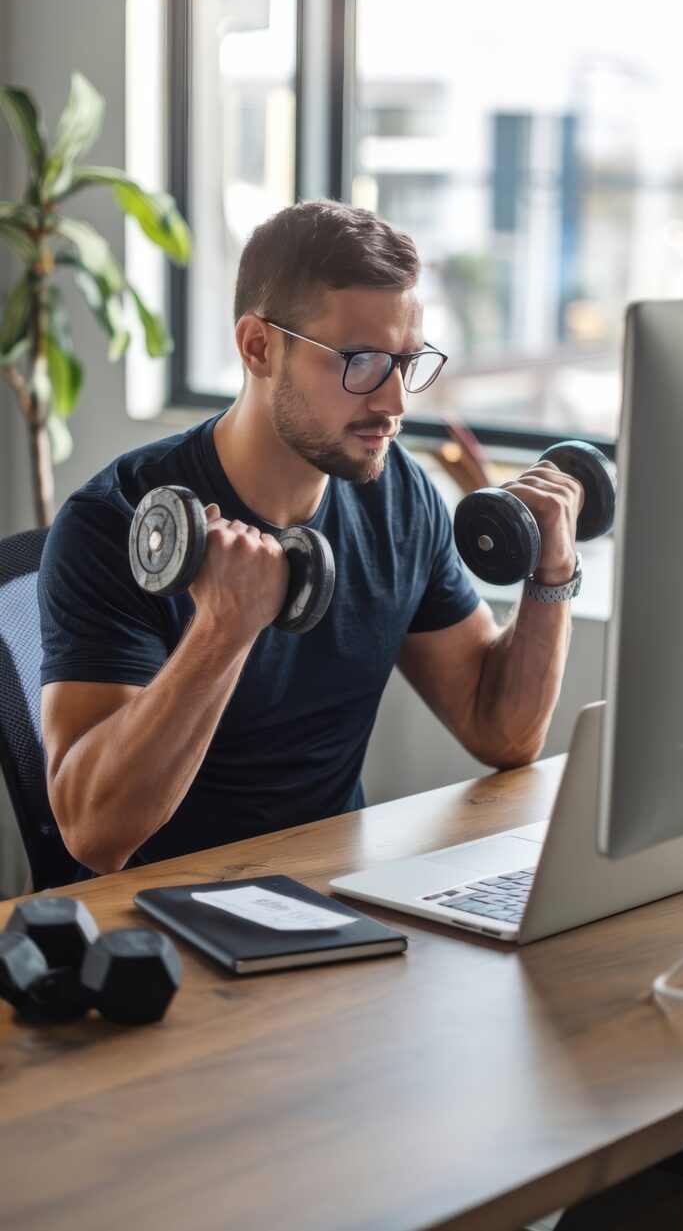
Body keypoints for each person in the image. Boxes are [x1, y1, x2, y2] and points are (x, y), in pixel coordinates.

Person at [39, 200, 583, 876]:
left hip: (332, 897)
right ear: (259, 347)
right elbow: (92, 832)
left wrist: (551, 575)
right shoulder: (112, 522)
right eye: (360, 361)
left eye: (406, 363)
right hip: (154, 923)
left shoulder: (400, 496)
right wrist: (224, 629)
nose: (393, 403)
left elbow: (498, 729)